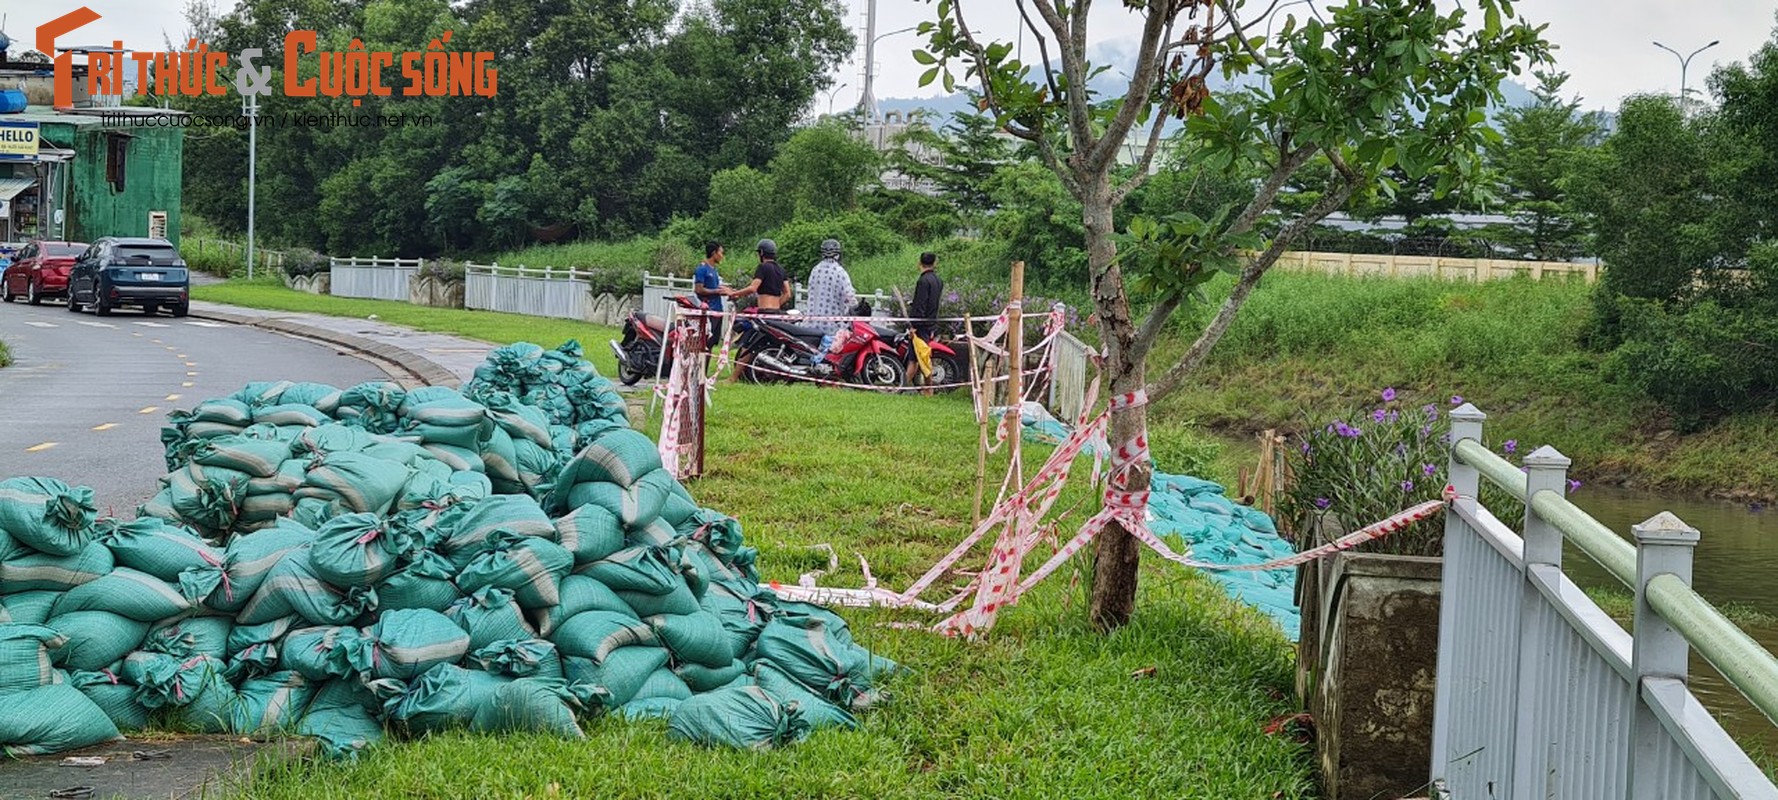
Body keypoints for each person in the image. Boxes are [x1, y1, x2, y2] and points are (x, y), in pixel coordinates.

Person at [727, 239, 792, 382]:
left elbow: (753, 288)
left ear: (761, 253)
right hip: (776, 313)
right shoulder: (781, 270)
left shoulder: (763, 268)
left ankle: (733, 378)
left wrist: (734, 293)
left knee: (748, 344)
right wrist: (776, 305)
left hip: (764, 313)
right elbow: (788, 293)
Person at [803, 239, 857, 339]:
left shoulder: (815, 270)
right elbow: (849, 297)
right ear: (838, 254)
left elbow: (810, 293)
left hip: (811, 326)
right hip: (832, 328)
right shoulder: (840, 272)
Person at [909, 251, 944, 393]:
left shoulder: (923, 281)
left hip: (921, 325)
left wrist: (913, 326)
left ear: (919, 263)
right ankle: (928, 389)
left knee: (914, 358)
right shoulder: (938, 281)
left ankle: (903, 388)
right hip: (931, 323)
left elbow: (920, 304)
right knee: (924, 356)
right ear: (935, 263)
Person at [692, 241, 729, 351]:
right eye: (721, 253)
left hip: (718, 310)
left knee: (712, 344)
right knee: (706, 343)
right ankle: (701, 367)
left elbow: (714, 288)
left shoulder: (714, 270)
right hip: (709, 311)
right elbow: (698, 289)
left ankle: (705, 368)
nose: (722, 256)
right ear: (714, 253)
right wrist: (716, 291)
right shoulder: (702, 269)